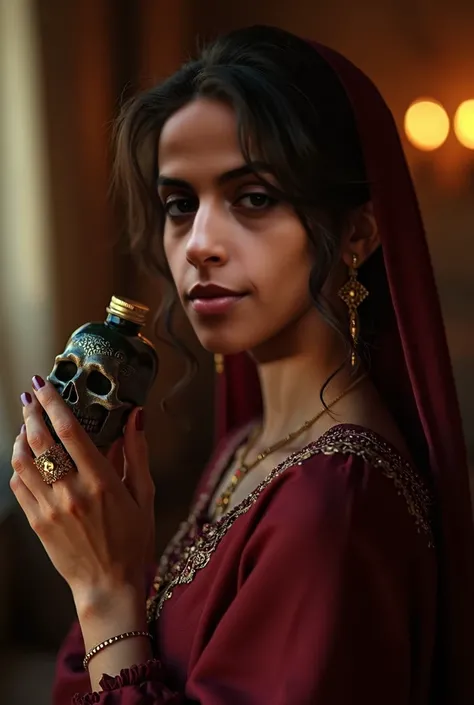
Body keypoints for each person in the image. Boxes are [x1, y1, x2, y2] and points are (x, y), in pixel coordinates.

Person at [10, 25, 474, 705]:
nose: (199, 245)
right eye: (180, 204)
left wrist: (104, 587)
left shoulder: (333, 506)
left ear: (357, 233)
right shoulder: (253, 442)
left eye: (251, 197)